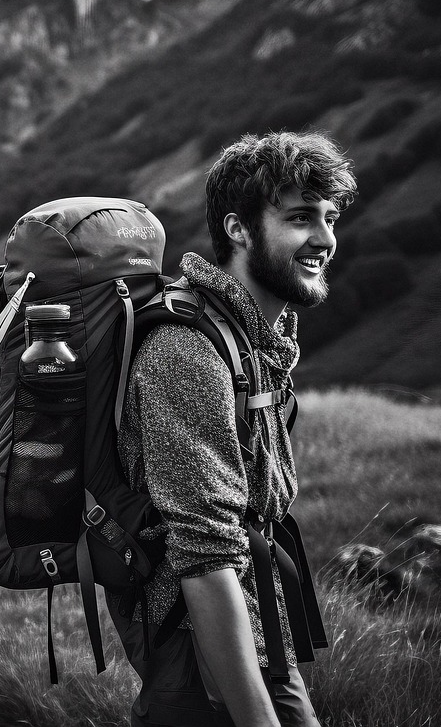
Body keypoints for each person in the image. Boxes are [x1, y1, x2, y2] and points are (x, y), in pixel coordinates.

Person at [112, 132, 356, 726]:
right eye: (300, 218)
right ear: (239, 229)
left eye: (328, 218)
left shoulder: (252, 338)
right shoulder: (188, 351)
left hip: (257, 627)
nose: (324, 239)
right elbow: (204, 558)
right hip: (201, 656)